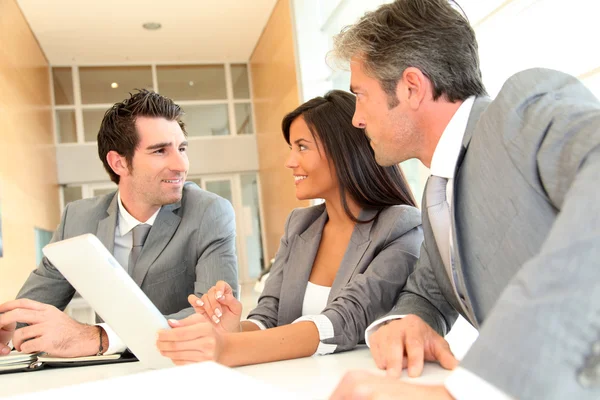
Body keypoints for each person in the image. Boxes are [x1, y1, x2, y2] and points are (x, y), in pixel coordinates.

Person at [328, 0, 600, 399]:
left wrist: (472, 390)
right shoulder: (438, 191)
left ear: (411, 87)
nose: (355, 118)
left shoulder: (521, 110)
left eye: (361, 95)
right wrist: (410, 319)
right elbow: (431, 288)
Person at [155, 90, 423, 366]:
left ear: (344, 151)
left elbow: (345, 319)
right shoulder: (300, 225)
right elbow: (268, 316)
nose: (290, 161)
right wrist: (233, 329)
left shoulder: (400, 226)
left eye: (302, 146)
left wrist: (229, 348)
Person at [0, 90, 238, 358]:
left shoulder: (209, 212)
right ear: (119, 163)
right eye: (160, 151)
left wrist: (100, 337)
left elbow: (218, 317)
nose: (181, 164)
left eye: (182, 148)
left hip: (182, 371)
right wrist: (10, 327)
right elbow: (30, 310)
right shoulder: (77, 219)